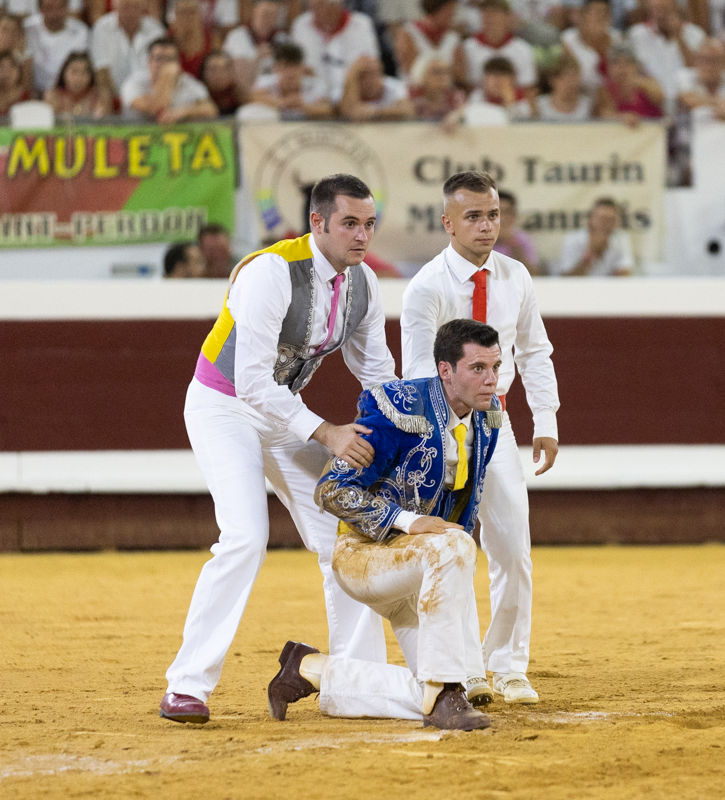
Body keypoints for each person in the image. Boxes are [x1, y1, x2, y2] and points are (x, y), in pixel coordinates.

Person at [160, 174, 399, 725]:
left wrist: (409, 427)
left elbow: (375, 370)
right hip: (224, 405)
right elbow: (249, 381)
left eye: (368, 225)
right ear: (317, 223)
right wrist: (328, 433)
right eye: (349, 224)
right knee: (245, 536)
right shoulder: (269, 271)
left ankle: (355, 681)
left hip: (282, 410)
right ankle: (186, 685)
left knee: (346, 529)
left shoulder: (362, 284)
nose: (361, 236)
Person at [268, 319, 508, 731]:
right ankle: (446, 691)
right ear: (446, 370)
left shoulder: (487, 419)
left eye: (496, 368)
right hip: (364, 557)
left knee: (429, 693)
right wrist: (409, 521)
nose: (491, 381)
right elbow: (331, 490)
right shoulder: (398, 407)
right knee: (454, 544)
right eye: (478, 369)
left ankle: (311, 669)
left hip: (419, 572)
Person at [400, 171, 560, 707]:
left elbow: (534, 351)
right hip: (445, 427)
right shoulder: (427, 286)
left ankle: (509, 666)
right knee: (455, 548)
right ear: (448, 223)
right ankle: (466, 668)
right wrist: (438, 443)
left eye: (492, 214)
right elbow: (420, 370)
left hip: (497, 424)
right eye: (473, 216)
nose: (486, 226)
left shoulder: (515, 276)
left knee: (513, 548)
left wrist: (547, 420)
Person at [290, 0, 379, 104]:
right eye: (312, 5)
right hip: (313, 101)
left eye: (320, 5)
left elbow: (371, 66)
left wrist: (351, 76)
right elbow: (299, 68)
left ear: (337, 6)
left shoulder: (361, 24)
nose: (314, 11)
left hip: (354, 99)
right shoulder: (300, 25)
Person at [627, 0, 705, 112]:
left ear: (675, 8)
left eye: (666, 10)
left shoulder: (694, 33)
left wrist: (679, 37)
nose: (661, 15)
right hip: (652, 101)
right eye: (657, 9)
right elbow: (633, 72)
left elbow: (696, 69)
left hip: (687, 101)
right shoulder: (636, 35)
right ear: (650, 10)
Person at [122, 37, 219, 122]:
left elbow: (211, 109)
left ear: (178, 63)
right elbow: (155, 109)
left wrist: (183, 111)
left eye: (169, 59)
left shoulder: (187, 82)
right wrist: (167, 78)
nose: (163, 64)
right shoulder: (134, 83)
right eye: (159, 58)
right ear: (149, 62)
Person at [91, 0, 165, 107]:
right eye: (125, 7)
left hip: (148, 98)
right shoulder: (102, 28)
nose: (130, 13)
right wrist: (112, 105)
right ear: (115, 7)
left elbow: (162, 69)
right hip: (115, 98)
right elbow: (101, 72)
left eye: (135, 7)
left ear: (143, 7)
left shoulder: (156, 30)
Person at [457, 0, 537, 93]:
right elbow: (464, 87)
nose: (489, 18)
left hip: (512, 101)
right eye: (485, 13)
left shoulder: (523, 49)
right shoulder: (467, 47)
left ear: (507, 17)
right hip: (478, 102)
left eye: (494, 13)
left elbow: (527, 87)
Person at [250, 40, 332, 118]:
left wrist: (303, 105)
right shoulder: (266, 81)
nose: (290, 72)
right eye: (285, 66)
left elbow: (328, 109)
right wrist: (283, 103)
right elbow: (252, 96)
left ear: (303, 67)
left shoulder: (316, 85)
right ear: (276, 68)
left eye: (295, 65)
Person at [675, 37, 725, 121]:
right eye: (704, 59)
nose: (709, 66)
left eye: (715, 60)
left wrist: (701, 101)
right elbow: (687, 101)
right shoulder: (684, 76)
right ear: (696, 61)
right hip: (692, 132)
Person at [557, 197, 634, 277]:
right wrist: (590, 255)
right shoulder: (572, 239)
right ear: (590, 219)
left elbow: (624, 276)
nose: (606, 224)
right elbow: (567, 280)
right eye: (602, 219)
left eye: (611, 219)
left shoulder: (620, 238)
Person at [24, 0, 90, 93]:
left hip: (68, 92)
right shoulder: (28, 29)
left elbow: (81, 68)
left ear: (67, 8)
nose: (55, 14)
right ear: (40, 9)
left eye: (60, 7)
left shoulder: (81, 31)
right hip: (35, 92)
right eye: (49, 8)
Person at [560, 0, 621, 94]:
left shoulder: (616, 38)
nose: (601, 17)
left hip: (612, 95)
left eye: (606, 13)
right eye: (597, 12)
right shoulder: (568, 39)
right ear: (584, 15)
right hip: (579, 95)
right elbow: (565, 75)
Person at [223, 0, 287, 90]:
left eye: (273, 16)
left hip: (275, 92)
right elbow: (229, 71)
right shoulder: (236, 37)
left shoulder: (282, 39)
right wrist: (256, 58)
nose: (268, 20)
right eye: (265, 14)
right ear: (254, 13)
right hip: (245, 92)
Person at [595, 44, 665, 122]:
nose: (622, 67)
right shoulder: (605, 89)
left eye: (628, 62)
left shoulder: (648, 84)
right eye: (616, 62)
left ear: (636, 66)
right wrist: (623, 117)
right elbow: (604, 114)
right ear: (609, 68)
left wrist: (640, 83)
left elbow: (660, 97)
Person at [394, 0, 460, 80]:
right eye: (450, 10)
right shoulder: (408, 33)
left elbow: (459, 75)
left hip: (447, 90)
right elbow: (410, 71)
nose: (453, 15)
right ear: (438, 9)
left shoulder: (452, 37)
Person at [338, 53, 413, 121]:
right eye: (364, 75)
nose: (370, 80)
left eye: (374, 74)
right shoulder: (352, 88)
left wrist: (375, 111)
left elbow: (408, 110)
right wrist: (351, 77)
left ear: (381, 74)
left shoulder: (394, 86)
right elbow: (346, 112)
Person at [466, 56, 532, 119]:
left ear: (513, 79)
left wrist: (509, 102)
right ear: (484, 79)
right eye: (493, 76)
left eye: (502, 76)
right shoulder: (478, 96)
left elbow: (520, 123)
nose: (498, 81)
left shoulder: (523, 98)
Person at [45, 50, 109, 116]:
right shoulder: (52, 97)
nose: (79, 78)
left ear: (91, 75)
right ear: (64, 73)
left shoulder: (101, 96)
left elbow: (108, 124)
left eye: (84, 72)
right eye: (74, 71)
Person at [0, 13, 32, 89]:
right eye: (5, 29)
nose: (9, 35)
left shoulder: (23, 61)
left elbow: (26, 88)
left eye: (14, 31)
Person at [493, 190, 541, 275]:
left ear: (514, 215)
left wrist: (512, 243)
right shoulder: (476, 237)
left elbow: (533, 274)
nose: (502, 218)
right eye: (496, 213)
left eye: (506, 212)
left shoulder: (523, 239)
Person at [534, 52, 593, 121]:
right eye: (565, 78)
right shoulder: (539, 106)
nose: (571, 83)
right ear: (553, 79)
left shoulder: (588, 107)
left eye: (574, 77)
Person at [409, 53, 465, 122]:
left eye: (446, 72)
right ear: (422, 75)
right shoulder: (413, 94)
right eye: (436, 72)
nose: (442, 77)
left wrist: (456, 115)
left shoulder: (455, 96)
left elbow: (464, 111)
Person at [168, 0, 212, 78]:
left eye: (191, 12)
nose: (187, 16)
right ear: (175, 15)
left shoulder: (212, 40)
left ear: (200, 15)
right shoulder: (168, 38)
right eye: (182, 12)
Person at [0, 50, 31, 115]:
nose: (5, 72)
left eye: (11, 66)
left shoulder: (28, 97)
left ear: (19, 71)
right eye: (0, 66)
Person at [200, 50, 244, 114]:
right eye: (213, 70)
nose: (218, 74)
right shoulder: (198, 95)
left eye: (222, 69)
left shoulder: (241, 95)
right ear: (204, 73)